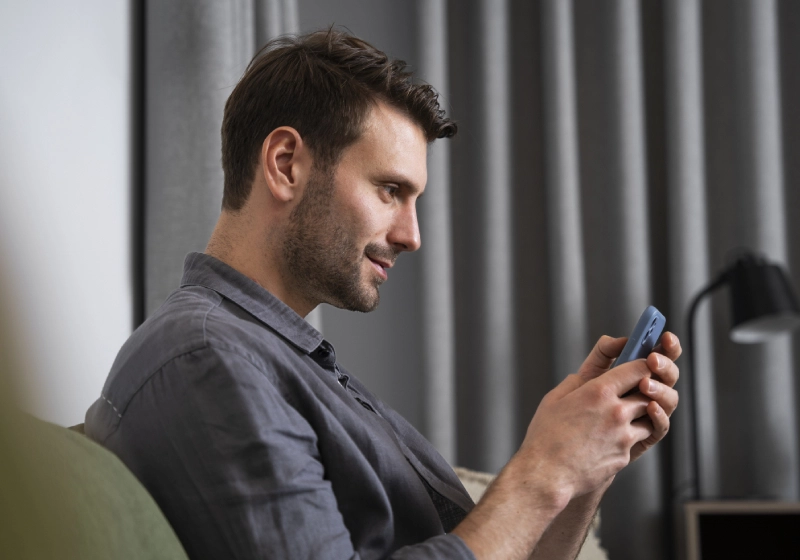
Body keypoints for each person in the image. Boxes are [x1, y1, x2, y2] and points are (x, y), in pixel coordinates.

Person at [85, 29, 680, 560]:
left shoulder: (282, 358)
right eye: (389, 190)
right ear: (286, 164)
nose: (412, 236)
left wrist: (586, 465)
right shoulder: (210, 359)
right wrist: (542, 472)